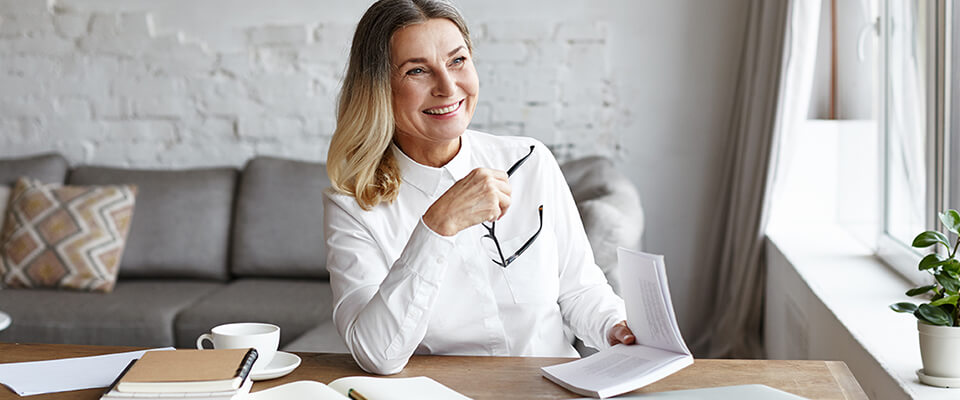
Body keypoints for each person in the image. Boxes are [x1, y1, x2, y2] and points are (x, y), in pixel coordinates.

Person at [324, 0, 635, 375]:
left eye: (457, 61)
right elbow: (376, 354)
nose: (447, 86)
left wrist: (616, 328)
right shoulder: (352, 204)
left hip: (555, 387)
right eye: (418, 70)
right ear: (379, 88)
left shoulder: (530, 160)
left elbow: (579, 288)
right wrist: (436, 226)